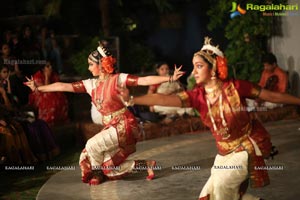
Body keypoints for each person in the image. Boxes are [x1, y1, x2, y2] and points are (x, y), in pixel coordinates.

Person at [119, 37, 300, 200]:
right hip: (224, 153)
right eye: (194, 66)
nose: (195, 71)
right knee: (209, 194)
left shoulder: (236, 87)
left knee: (221, 189)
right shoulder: (198, 96)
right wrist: (133, 99)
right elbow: (163, 99)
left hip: (248, 145)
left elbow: (272, 96)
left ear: (213, 68)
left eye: (199, 66)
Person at [24, 43, 184, 185]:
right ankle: (145, 165)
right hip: (110, 126)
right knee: (105, 165)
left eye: (90, 64)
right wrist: (39, 89)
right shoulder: (90, 84)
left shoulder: (118, 79)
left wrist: (169, 78)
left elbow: (144, 80)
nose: (88, 68)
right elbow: (63, 86)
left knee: (91, 145)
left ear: (101, 65)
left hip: (124, 125)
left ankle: (97, 173)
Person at [28, 60, 69, 125]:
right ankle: (47, 120)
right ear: (43, 68)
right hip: (39, 94)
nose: (50, 67)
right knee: (48, 100)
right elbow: (44, 89)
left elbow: (56, 87)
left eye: (51, 66)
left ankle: (58, 120)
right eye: (48, 66)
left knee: (61, 98)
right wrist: (47, 76)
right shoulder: (37, 76)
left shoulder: (54, 75)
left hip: (52, 92)